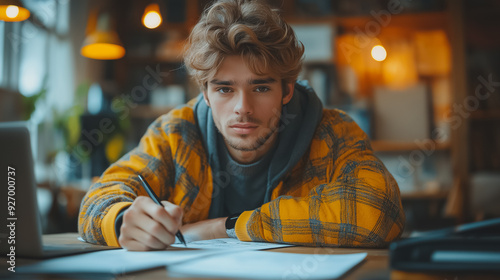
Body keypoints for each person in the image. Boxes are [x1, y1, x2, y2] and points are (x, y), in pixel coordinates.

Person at [79, 0, 405, 250]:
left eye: (261, 88)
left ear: (287, 90)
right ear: (205, 93)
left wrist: (227, 226)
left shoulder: (333, 132)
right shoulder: (174, 133)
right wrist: (123, 220)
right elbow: (97, 200)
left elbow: (380, 211)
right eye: (224, 89)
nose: (243, 109)